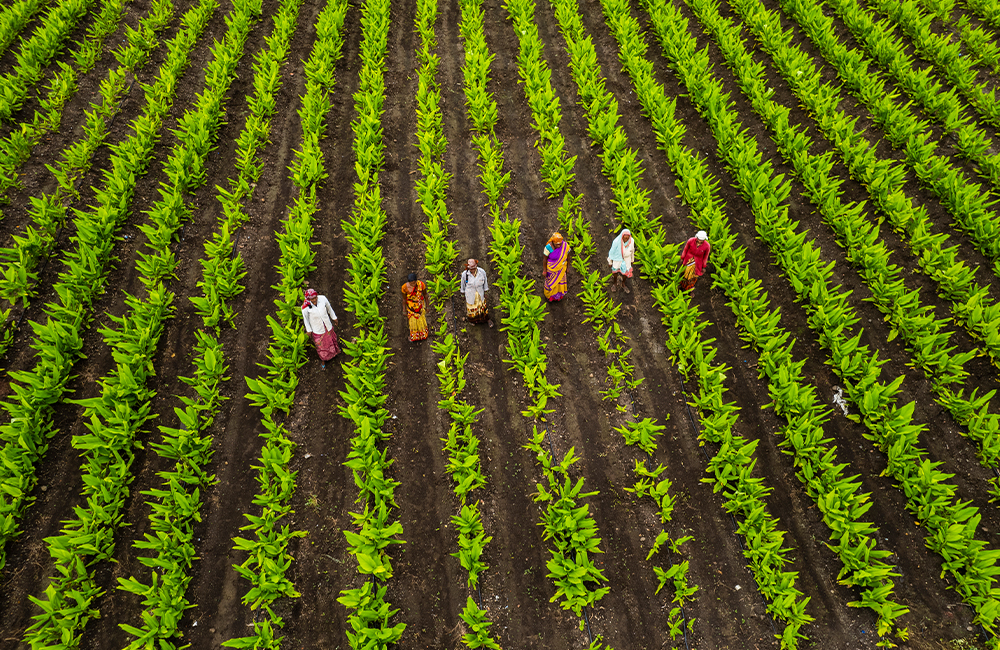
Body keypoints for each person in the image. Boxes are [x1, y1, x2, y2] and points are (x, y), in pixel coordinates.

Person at [301, 288, 340, 368]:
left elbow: (329, 309)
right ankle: (324, 359)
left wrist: (334, 318)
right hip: (317, 329)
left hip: (327, 326)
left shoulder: (323, 299)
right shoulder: (305, 308)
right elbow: (306, 320)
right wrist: (309, 331)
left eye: (315, 297)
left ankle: (334, 353)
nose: (315, 299)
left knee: (331, 341)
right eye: (312, 299)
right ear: (308, 299)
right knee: (321, 346)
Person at [460, 259, 492, 327]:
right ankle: (473, 321)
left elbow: (485, 282)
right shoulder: (465, 274)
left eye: (473, 268)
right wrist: (462, 295)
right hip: (470, 294)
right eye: (471, 269)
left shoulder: (482, 272)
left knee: (482, 307)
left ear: (476, 266)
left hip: (480, 293)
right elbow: (463, 285)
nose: (472, 270)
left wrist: (486, 292)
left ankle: (486, 320)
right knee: (472, 309)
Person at [543, 232, 570, 302]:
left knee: (559, 283)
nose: (559, 246)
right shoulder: (548, 247)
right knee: (550, 283)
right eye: (556, 244)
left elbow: (568, 257)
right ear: (553, 242)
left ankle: (558, 296)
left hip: (561, 268)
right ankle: (549, 296)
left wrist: (568, 267)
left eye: (560, 244)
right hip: (551, 269)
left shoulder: (565, 246)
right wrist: (544, 270)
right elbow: (544, 259)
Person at [402, 272, 429, 342]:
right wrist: (404, 310)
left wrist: (427, 306)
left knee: (421, 322)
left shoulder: (421, 285)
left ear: (417, 281)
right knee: (413, 323)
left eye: (414, 283)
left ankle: (423, 335)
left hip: (420, 307)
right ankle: (414, 336)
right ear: (408, 282)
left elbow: (425, 295)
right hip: (411, 309)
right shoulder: (404, 288)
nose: (413, 285)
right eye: (411, 284)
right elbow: (404, 299)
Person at [607, 228, 635, 293]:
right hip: (618, 259)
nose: (626, 239)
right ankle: (614, 283)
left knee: (626, 272)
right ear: (622, 237)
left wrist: (632, 259)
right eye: (625, 238)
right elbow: (612, 252)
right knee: (615, 272)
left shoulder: (632, 241)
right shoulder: (616, 242)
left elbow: (632, 250)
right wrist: (610, 261)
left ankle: (623, 284)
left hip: (627, 259)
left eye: (627, 238)